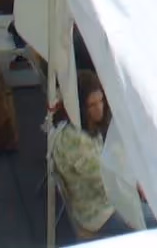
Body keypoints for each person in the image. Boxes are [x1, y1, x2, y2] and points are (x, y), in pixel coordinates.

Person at [50, 71, 128, 240]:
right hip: (98, 214)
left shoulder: (77, 128)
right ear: (80, 107)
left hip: (96, 204)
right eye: (92, 104)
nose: (99, 108)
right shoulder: (76, 141)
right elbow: (106, 181)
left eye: (101, 101)